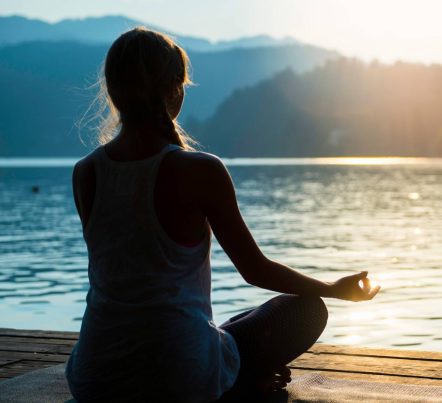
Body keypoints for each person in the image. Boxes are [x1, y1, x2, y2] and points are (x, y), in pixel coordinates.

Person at [65, 27, 380, 402]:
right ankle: (242, 381)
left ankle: (235, 368)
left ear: (114, 93)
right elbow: (255, 270)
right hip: (179, 378)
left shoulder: (86, 173)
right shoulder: (200, 169)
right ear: (173, 90)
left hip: (94, 378)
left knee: (228, 325)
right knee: (305, 309)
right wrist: (333, 289)